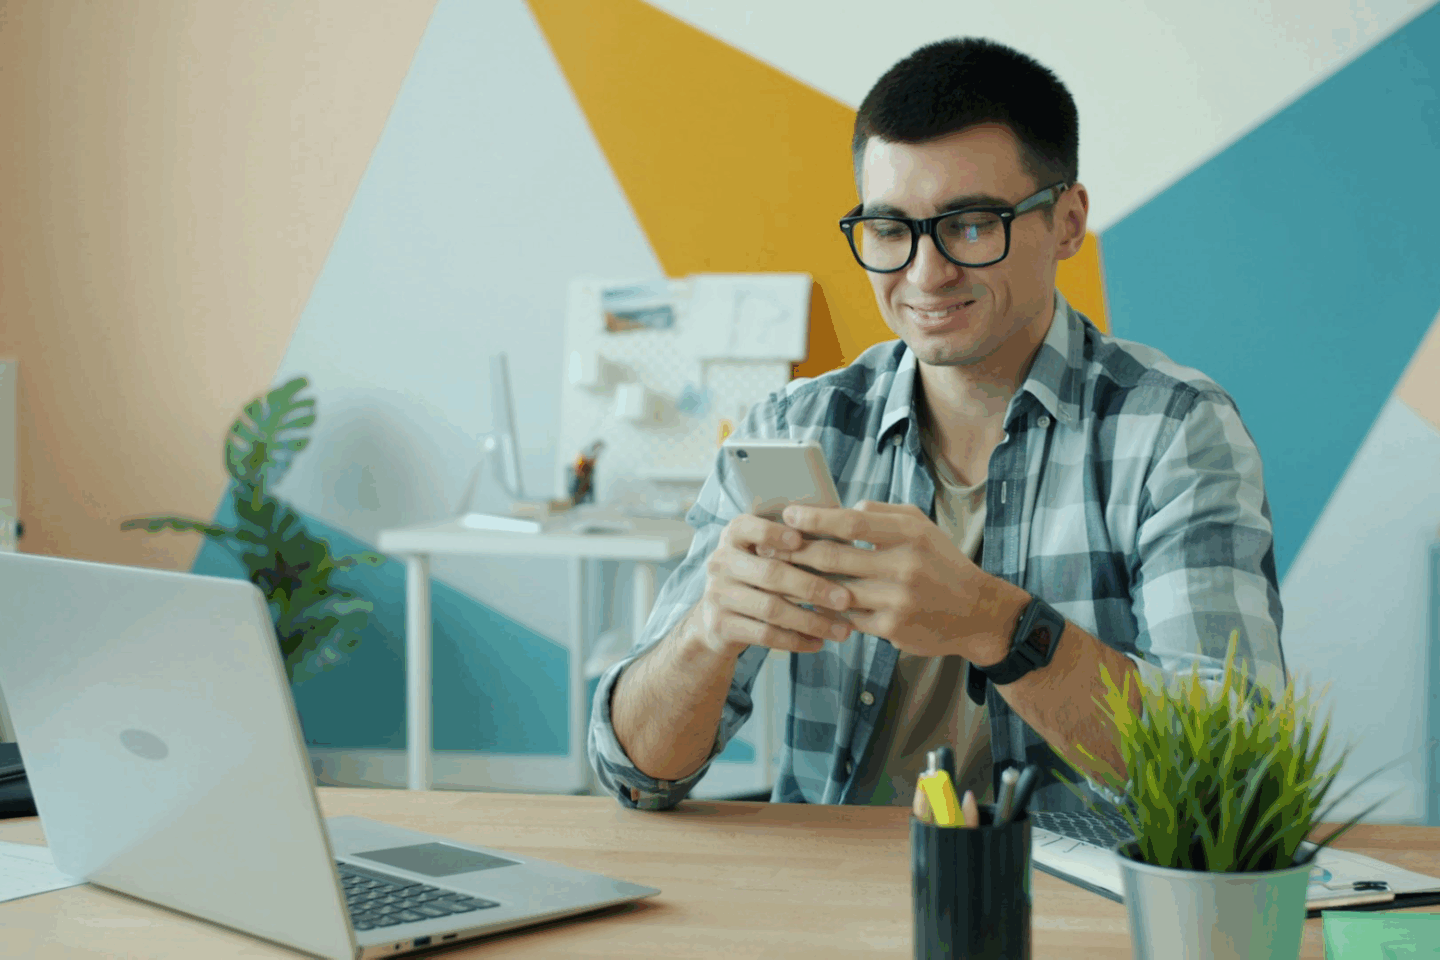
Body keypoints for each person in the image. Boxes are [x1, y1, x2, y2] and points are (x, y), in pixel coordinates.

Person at [588, 37, 1287, 813]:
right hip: (830, 902)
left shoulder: (1174, 433)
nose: (924, 274)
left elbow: (1235, 779)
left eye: (971, 225)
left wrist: (998, 626)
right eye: (889, 230)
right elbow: (634, 774)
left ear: (1066, 222)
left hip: (1072, 909)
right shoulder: (797, 426)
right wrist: (705, 636)